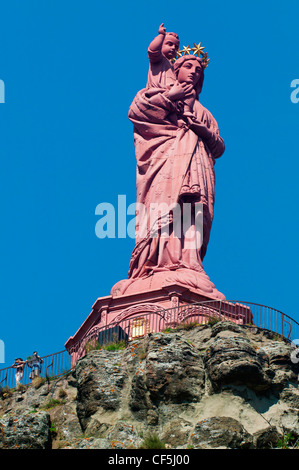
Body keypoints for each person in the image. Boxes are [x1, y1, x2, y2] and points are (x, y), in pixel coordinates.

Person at [117, 54, 225, 298]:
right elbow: (138, 112)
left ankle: (190, 262)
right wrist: (171, 96)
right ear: (175, 70)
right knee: (166, 209)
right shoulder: (156, 95)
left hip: (198, 164)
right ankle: (159, 262)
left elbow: (219, 146)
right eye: (188, 66)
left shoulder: (203, 112)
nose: (194, 71)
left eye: (199, 69)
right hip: (166, 164)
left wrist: (201, 130)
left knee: (195, 210)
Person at [146, 23, 180, 89]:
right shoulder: (159, 59)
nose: (173, 48)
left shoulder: (173, 67)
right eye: (170, 44)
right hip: (157, 93)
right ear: (161, 44)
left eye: (176, 47)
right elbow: (152, 50)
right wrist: (161, 35)